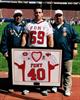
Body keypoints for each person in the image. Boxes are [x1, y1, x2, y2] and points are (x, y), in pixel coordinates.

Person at [21, 7, 54, 96]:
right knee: (29, 69)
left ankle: (43, 88)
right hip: (30, 50)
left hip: (42, 50)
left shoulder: (47, 24)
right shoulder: (29, 24)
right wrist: (22, 48)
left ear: (42, 14)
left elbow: (50, 38)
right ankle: (27, 87)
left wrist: (50, 50)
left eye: (40, 12)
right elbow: (24, 37)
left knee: (42, 70)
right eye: (36, 12)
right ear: (34, 13)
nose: (38, 14)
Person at [51, 9, 80, 96]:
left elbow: (76, 37)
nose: (58, 17)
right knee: (55, 71)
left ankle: (67, 88)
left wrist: (75, 48)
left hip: (67, 53)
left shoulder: (69, 27)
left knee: (67, 72)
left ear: (63, 16)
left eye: (60, 15)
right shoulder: (51, 27)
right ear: (54, 17)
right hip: (54, 54)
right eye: (57, 16)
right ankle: (55, 85)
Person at [1, 9, 26, 92]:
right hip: (11, 52)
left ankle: (21, 85)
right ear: (14, 17)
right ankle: (11, 84)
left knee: (22, 69)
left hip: (23, 53)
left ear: (22, 17)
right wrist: (4, 51)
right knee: (12, 69)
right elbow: (4, 40)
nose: (18, 17)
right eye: (16, 16)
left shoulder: (25, 27)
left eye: (19, 16)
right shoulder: (8, 27)